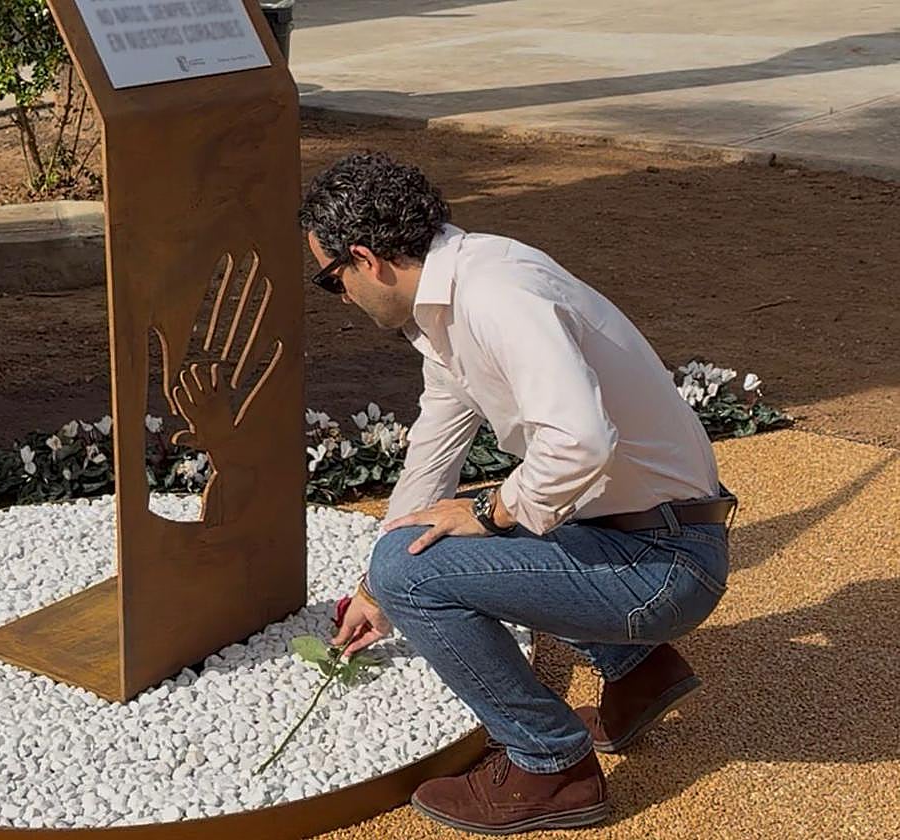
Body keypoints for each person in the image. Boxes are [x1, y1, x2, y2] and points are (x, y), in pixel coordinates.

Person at [299, 152, 736, 835]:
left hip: (665, 560)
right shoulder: (451, 302)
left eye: (332, 281)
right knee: (414, 553)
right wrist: (372, 589)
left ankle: (550, 767)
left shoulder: (495, 294)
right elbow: (432, 454)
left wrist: (473, 520)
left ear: (366, 258)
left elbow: (581, 444)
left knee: (422, 564)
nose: (341, 297)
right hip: (647, 532)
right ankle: (637, 670)